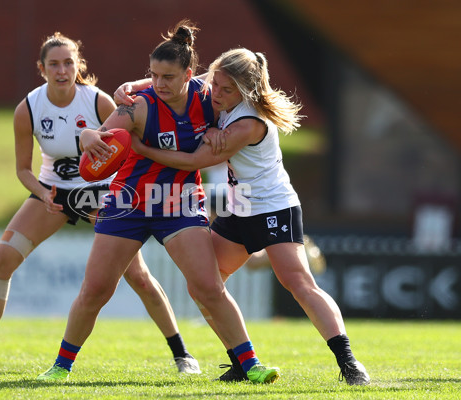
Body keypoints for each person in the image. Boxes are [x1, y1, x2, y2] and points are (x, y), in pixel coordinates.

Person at [0, 32, 201, 375]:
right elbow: (22, 169)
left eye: (68, 63)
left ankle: (183, 355)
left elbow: (133, 148)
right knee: (1, 260)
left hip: (100, 194)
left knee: (137, 276)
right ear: (41, 68)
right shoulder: (29, 108)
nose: (62, 70)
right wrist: (42, 192)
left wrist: (114, 193)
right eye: (54, 64)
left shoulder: (98, 102)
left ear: (79, 65)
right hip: (53, 193)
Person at [36, 20, 280, 384]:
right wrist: (88, 134)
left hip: (179, 202)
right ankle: (60, 366)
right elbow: (101, 136)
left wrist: (219, 130)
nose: (159, 84)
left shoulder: (209, 99)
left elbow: (242, 105)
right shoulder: (139, 107)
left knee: (209, 287)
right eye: (153, 76)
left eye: (168, 77)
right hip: (129, 201)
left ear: (190, 74)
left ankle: (250, 364)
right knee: (96, 290)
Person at [119, 47, 370, 385]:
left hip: (274, 207)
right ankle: (240, 359)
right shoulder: (221, 89)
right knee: (204, 286)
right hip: (240, 208)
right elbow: (184, 82)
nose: (216, 94)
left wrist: (142, 149)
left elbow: (194, 162)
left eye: (225, 90)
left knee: (298, 283)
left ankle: (350, 363)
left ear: (245, 90)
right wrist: (132, 87)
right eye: (216, 85)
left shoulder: (249, 122)